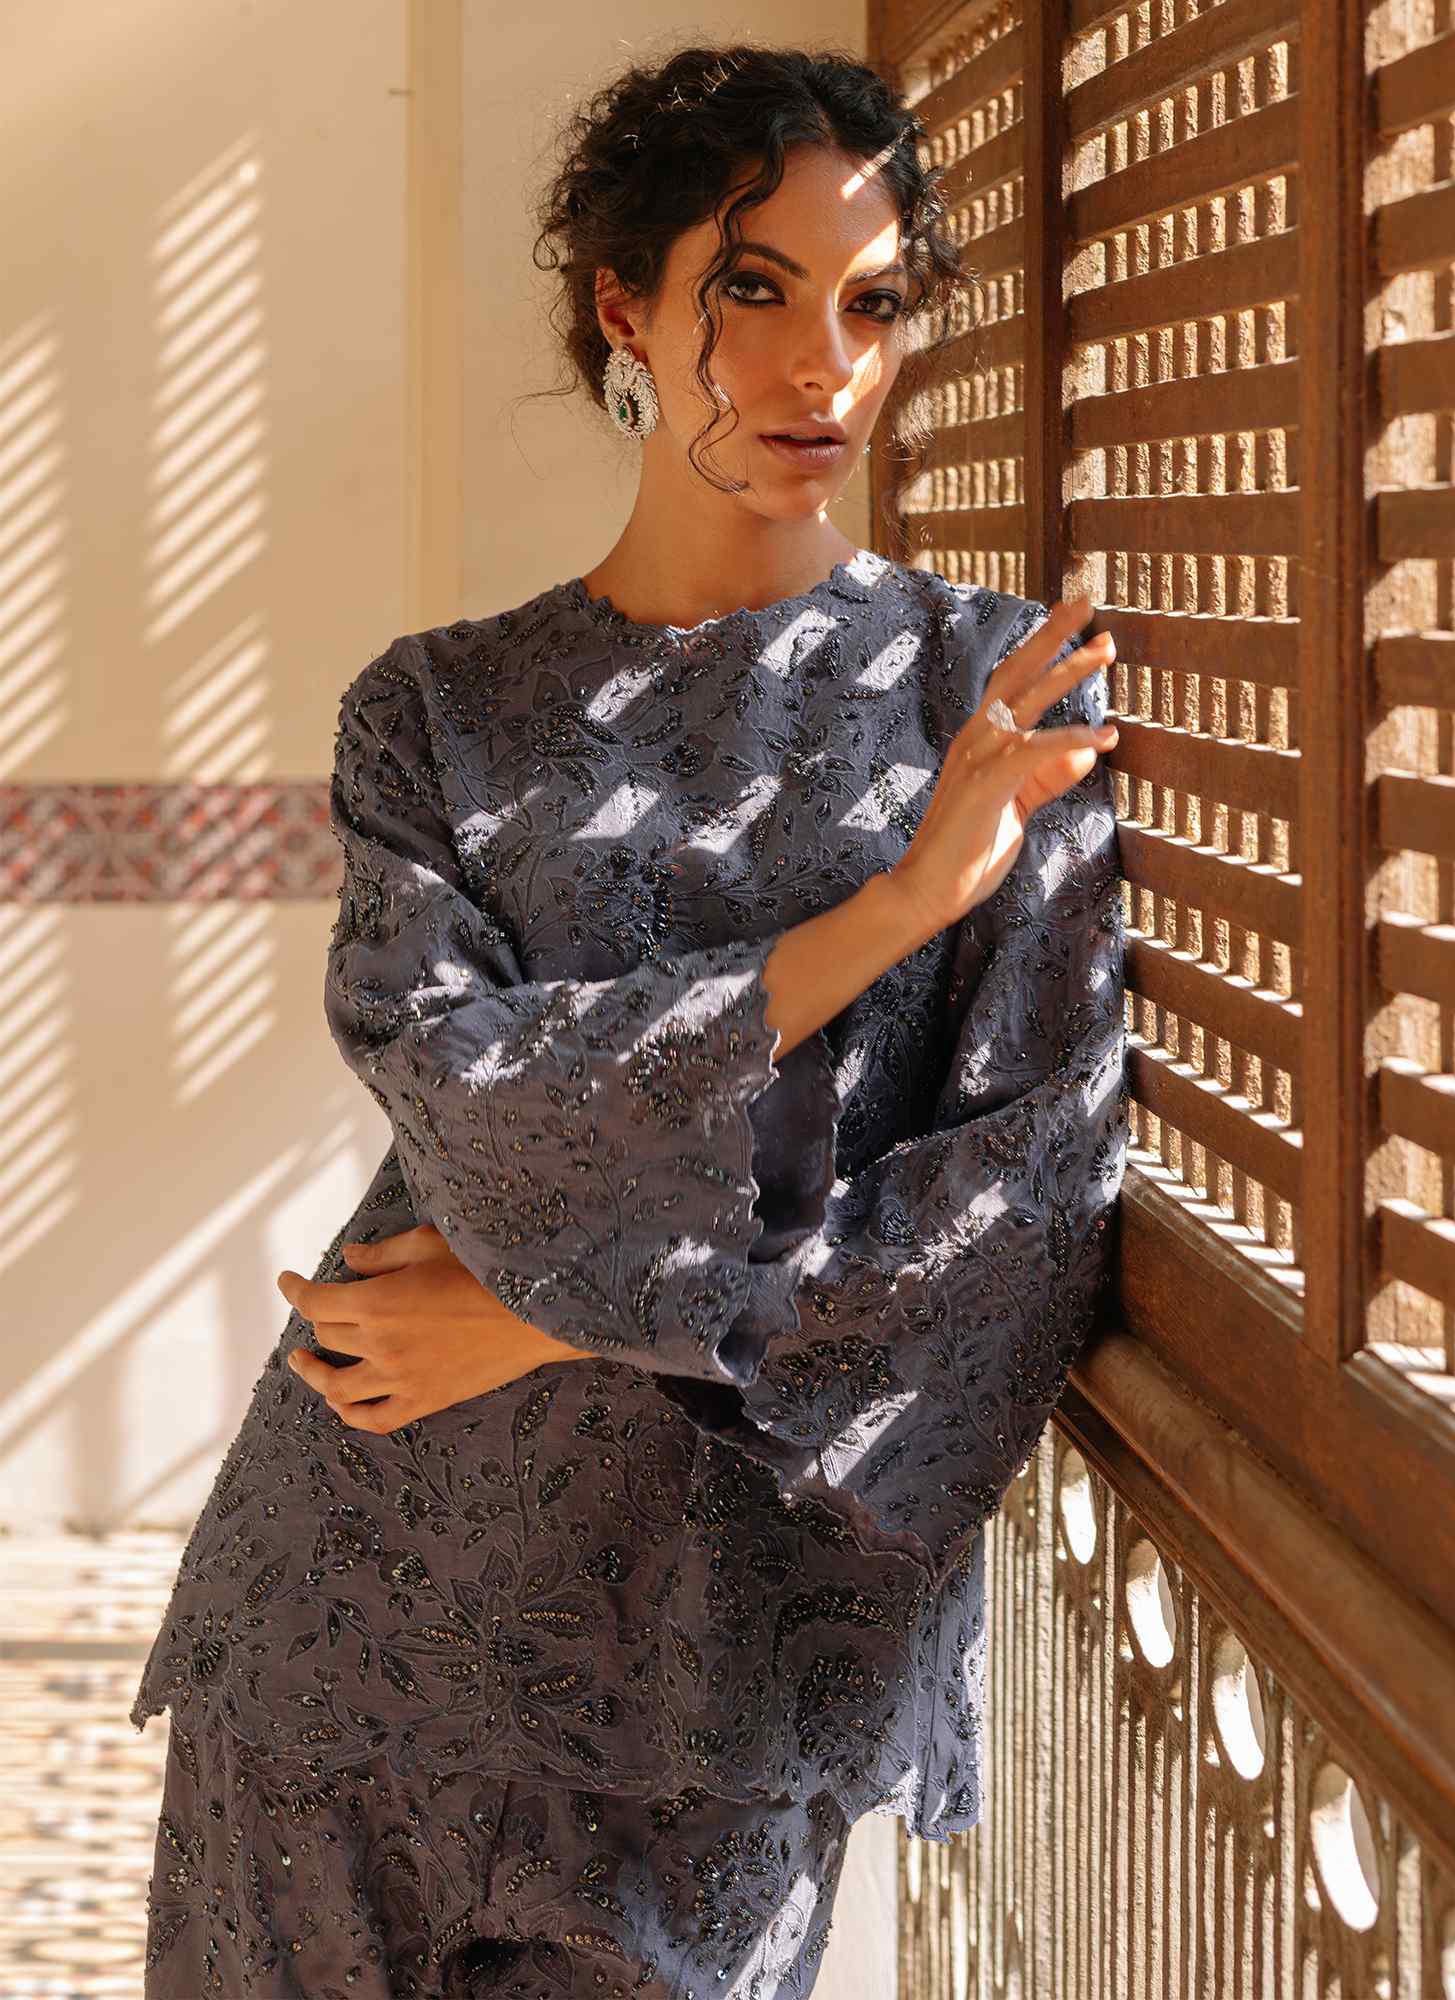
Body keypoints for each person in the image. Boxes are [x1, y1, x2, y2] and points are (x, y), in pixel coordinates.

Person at [130, 40, 1127, 2000]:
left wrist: (545, 1316)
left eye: (873, 305)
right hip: (343, 1627)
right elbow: (469, 1096)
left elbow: (1015, 1227)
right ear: (626, 310)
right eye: (753, 289)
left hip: (719, 1684)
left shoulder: (991, 693)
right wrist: (882, 919)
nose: (819, 366)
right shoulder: (437, 711)